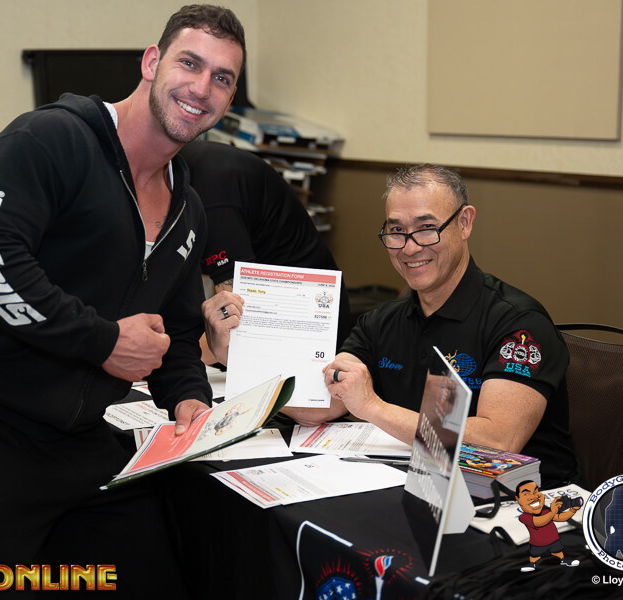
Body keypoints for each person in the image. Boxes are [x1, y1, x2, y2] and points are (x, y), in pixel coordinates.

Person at [0, 5, 244, 596]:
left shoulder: (187, 208)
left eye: (222, 78)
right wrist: (101, 341)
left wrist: (188, 399)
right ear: (152, 62)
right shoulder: (53, 139)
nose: (201, 88)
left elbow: (179, 331)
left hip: (77, 440)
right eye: (190, 64)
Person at [285, 164, 578, 488]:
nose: (409, 247)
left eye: (426, 228)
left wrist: (372, 407)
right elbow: (320, 404)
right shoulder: (381, 321)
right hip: (420, 487)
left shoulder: (519, 324)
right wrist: (243, 356)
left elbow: (496, 444)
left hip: (524, 506)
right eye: (397, 230)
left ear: (464, 223)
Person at [179, 140, 351, 365]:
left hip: (305, 313)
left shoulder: (212, 192)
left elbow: (233, 326)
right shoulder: (180, 169)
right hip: (270, 303)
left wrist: (166, 360)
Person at [515, 480, 580, 571]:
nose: (533, 497)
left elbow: (560, 517)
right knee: (535, 556)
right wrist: (553, 511)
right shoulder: (524, 517)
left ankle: (564, 560)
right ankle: (532, 565)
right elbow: (539, 522)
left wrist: (572, 510)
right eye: (526, 494)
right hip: (538, 544)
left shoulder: (546, 511)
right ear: (518, 499)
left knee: (558, 552)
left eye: (536, 492)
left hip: (554, 540)